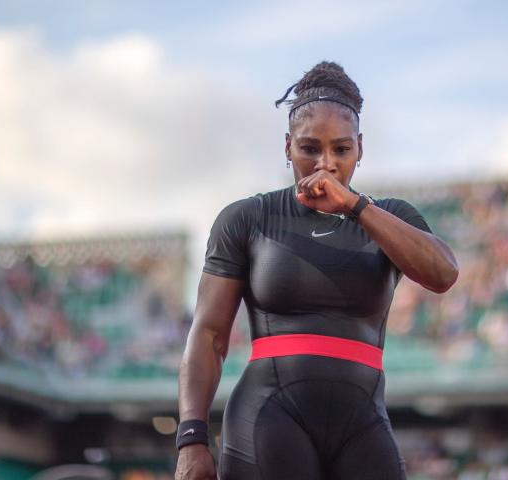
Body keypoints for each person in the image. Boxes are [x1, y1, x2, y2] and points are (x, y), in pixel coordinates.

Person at [174, 61, 459, 480]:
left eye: (341, 150)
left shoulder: (391, 218)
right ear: (287, 145)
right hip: (268, 417)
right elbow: (209, 334)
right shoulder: (247, 218)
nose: (325, 164)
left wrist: (356, 208)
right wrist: (191, 438)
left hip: (362, 424)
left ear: (360, 148)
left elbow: (443, 274)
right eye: (309, 149)